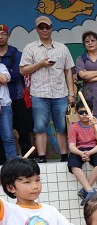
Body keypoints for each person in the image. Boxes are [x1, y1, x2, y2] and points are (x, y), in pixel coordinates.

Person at [19, 16, 75, 163]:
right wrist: (40, 64)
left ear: (51, 28)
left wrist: (71, 93)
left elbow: (68, 71)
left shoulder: (62, 48)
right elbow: (23, 70)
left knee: (62, 127)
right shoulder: (30, 48)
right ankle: (42, 157)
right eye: (41, 27)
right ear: (36, 29)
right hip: (39, 93)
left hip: (60, 93)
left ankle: (64, 156)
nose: (44, 30)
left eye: (47, 27)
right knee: (39, 127)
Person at [0, 24, 33, 157]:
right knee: (3, 133)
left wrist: (5, 76)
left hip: (16, 98)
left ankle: (28, 158)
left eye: (3, 34)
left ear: (8, 36)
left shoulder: (16, 54)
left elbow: (16, 74)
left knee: (22, 130)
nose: (0, 37)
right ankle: (3, 161)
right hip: (2, 100)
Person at [68, 100, 97, 205]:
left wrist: (90, 153)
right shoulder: (74, 127)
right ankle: (90, 190)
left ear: (92, 112)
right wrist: (81, 153)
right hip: (79, 150)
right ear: (77, 113)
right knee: (72, 163)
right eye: (81, 112)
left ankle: (86, 190)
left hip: (94, 149)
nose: (84, 114)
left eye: (86, 112)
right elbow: (72, 146)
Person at [0, 62, 16, 160]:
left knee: (8, 137)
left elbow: (4, 79)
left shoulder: (1, 66)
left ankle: (13, 164)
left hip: (4, 105)